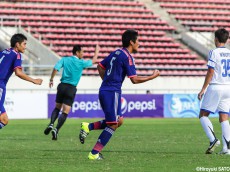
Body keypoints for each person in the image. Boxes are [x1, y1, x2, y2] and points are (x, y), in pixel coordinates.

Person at [79, 29, 160, 160]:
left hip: (107, 90)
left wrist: (106, 81)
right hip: (112, 92)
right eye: (137, 41)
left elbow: (100, 66)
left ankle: (88, 126)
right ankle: (94, 153)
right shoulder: (127, 57)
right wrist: (152, 76)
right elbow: (134, 79)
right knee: (113, 124)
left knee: (119, 120)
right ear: (131, 42)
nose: (139, 43)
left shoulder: (116, 52)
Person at [44, 44, 100, 140]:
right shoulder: (81, 63)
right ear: (77, 52)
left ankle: (51, 123)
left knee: (57, 108)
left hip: (61, 86)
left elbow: (56, 68)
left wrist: (51, 79)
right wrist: (97, 51)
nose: (83, 54)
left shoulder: (65, 59)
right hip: (71, 88)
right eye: (82, 52)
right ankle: (56, 129)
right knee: (65, 112)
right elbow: (94, 61)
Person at [0, 33, 43, 129]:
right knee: (4, 119)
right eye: (24, 44)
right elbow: (18, 72)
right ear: (17, 44)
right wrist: (34, 80)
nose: (25, 47)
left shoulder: (3, 52)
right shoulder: (17, 55)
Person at [198, 28, 230, 155]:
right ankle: (227, 149)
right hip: (228, 87)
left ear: (215, 39)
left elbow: (210, 71)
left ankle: (213, 140)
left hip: (216, 86)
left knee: (203, 115)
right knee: (224, 117)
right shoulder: (229, 52)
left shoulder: (214, 52)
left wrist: (203, 89)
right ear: (227, 40)